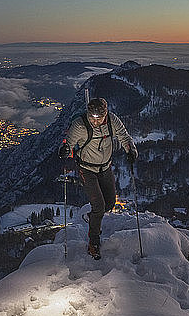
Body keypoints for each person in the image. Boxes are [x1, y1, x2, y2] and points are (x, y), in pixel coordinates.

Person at [58, 97, 137, 259]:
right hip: (86, 169)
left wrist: (131, 150)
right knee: (99, 206)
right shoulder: (80, 125)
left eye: (99, 118)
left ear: (105, 114)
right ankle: (93, 243)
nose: (95, 121)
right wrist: (65, 149)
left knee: (110, 203)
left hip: (105, 167)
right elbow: (68, 143)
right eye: (92, 117)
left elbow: (124, 136)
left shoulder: (112, 121)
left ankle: (92, 218)